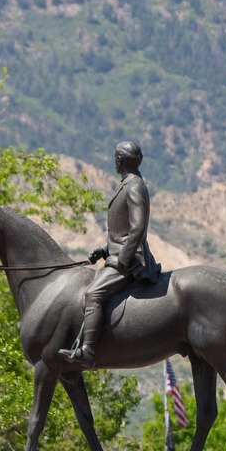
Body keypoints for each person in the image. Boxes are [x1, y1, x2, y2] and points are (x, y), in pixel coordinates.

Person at [58, 140, 160, 367]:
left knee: (92, 294)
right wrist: (104, 250)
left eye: (115, 158)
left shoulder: (133, 186)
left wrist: (122, 260)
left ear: (120, 160)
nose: (114, 162)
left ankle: (88, 350)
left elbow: (138, 229)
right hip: (119, 254)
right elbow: (123, 232)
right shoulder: (129, 184)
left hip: (131, 261)